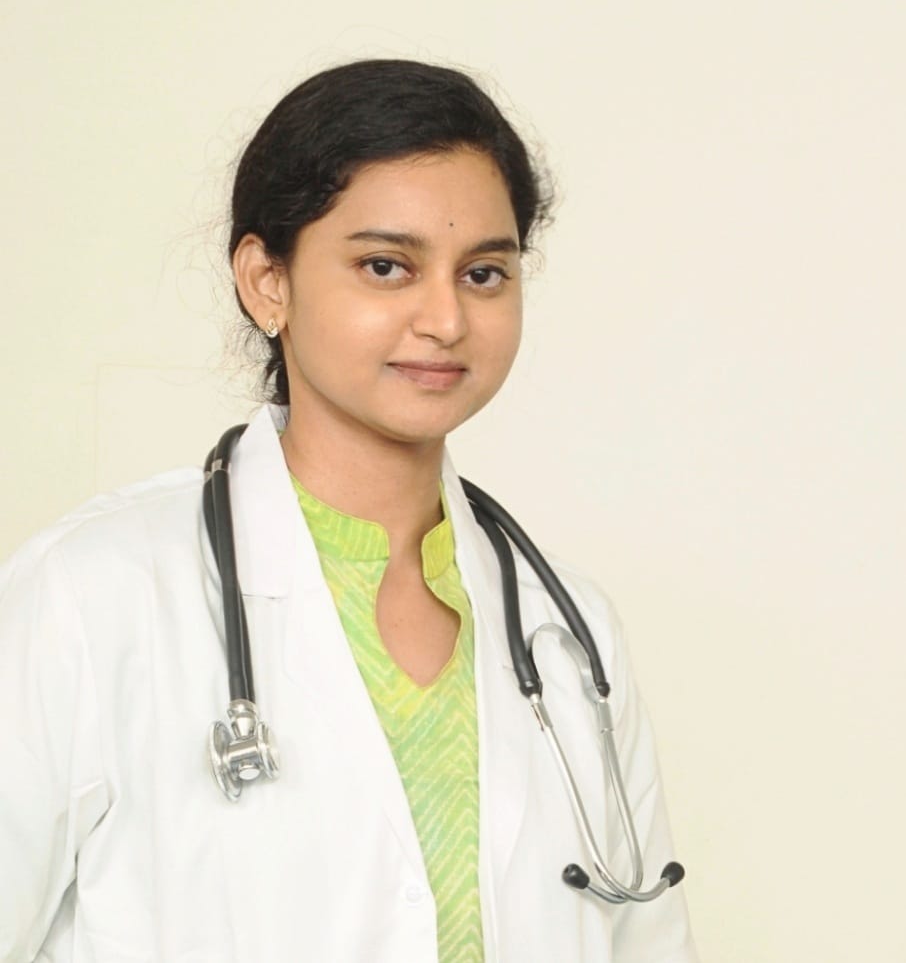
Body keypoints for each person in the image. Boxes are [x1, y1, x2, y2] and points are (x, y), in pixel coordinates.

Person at [0, 60, 699, 962]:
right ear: (267, 281)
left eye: (484, 273)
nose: (446, 319)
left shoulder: (571, 636)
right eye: (385, 266)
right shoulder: (88, 595)